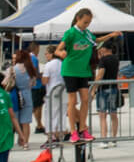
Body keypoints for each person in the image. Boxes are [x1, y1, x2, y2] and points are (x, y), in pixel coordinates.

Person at [59, 9, 120, 143]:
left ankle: (82, 128)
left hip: (83, 71)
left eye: (89, 22)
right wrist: (61, 53)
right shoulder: (70, 33)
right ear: (78, 19)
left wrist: (111, 35)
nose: (87, 24)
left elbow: (97, 40)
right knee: (72, 100)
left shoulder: (86, 34)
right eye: (85, 22)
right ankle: (73, 131)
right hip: (70, 71)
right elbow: (59, 48)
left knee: (86, 99)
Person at [93, 43, 122, 143]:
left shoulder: (103, 60)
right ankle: (114, 138)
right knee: (113, 114)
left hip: (103, 89)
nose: (100, 50)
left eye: (101, 49)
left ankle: (104, 139)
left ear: (105, 49)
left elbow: (100, 75)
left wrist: (93, 89)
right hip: (113, 88)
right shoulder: (115, 59)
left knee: (102, 115)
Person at [11, 50, 38, 148]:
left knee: (15, 120)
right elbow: (34, 83)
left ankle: (19, 139)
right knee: (26, 122)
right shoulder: (31, 69)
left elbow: (7, 82)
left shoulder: (13, 69)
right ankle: (25, 143)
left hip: (16, 95)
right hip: (27, 95)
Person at [40, 46, 66, 139]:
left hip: (52, 91)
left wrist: (42, 76)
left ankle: (51, 136)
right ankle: (60, 134)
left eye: (46, 53)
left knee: (51, 114)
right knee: (61, 113)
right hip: (63, 91)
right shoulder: (63, 63)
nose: (45, 55)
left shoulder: (49, 65)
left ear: (52, 54)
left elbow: (45, 81)